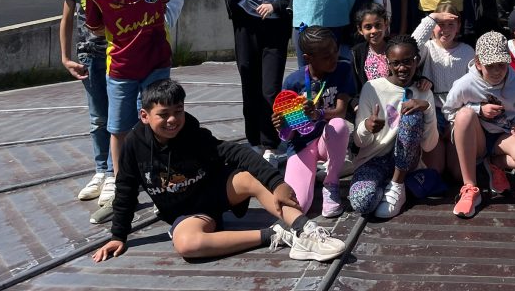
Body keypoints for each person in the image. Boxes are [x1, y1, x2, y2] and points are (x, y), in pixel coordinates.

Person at [92, 79, 345, 264]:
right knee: (187, 245)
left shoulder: (193, 133)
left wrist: (276, 182)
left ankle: (305, 229)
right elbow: (125, 189)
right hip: (189, 213)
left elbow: (237, 152)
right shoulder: (134, 147)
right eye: (163, 115)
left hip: (214, 192)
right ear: (145, 116)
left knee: (248, 177)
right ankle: (277, 235)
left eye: (178, 111)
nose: (172, 120)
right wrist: (119, 235)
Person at [84, 0, 172, 224]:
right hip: (121, 68)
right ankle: (124, 192)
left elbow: (162, 5)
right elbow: (94, 27)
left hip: (157, 62)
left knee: (160, 124)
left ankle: (165, 186)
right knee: (118, 129)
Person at [60, 0, 122, 204]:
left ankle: (114, 173)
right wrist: (65, 57)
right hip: (91, 57)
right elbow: (67, 17)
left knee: (120, 118)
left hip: (121, 56)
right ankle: (100, 170)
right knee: (98, 117)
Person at [443, 32, 515, 218]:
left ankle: (495, 164)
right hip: (475, 138)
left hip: (502, 135)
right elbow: (448, 111)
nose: (496, 71)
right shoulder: (464, 84)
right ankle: (469, 187)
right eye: (490, 66)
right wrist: (478, 109)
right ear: (478, 63)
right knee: (464, 115)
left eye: (501, 65)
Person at [225, 0, 293, 165]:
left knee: (270, 89)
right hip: (247, 32)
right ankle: (253, 140)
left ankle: (271, 143)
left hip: (274, 32)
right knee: (249, 87)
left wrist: (275, 5)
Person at [350, 36, 438, 219]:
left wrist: (427, 109)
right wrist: (366, 126)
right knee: (362, 203)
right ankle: (389, 186)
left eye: (407, 61)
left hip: (407, 161)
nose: (402, 68)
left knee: (412, 114)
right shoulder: (372, 88)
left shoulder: (424, 91)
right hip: (373, 160)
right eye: (395, 63)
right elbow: (359, 142)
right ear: (387, 63)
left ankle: (397, 184)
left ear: (416, 60)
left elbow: (429, 146)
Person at [276, 27, 354, 218]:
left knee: (339, 126)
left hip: (328, 141)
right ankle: (307, 173)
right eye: (326, 56)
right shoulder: (293, 83)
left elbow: (341, 111)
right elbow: (290, 133)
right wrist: (282, 124)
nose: (334, 57)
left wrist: (317, 114)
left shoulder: (343, 69)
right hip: (302, 144)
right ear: (308, 58)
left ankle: (331, 182)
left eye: (335, 51)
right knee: (297, 206)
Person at [410, 4, 473, 173]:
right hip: (434, 114)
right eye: (440, 24)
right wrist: (431, 19)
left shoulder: (467, 52)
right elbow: (411, 47)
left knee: (457, 173)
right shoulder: (427, 48)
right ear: (432, 27)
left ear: (459, 26)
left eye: (450, 24)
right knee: (436, 170)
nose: (445, 29)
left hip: (458, 115)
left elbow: (476, 85)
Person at [351, 3, 392, 91]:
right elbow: (355, 88)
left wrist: (423, 80)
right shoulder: (357, 53)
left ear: (386, 24)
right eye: (368, 27)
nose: (374, 31)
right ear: (360, 30)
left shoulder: (396, 48)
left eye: (378, 25)